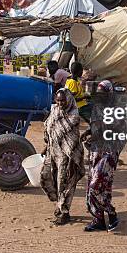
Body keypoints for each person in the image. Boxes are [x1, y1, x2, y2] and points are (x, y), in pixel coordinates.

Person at [81, 80, 123, 232]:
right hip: (95, 152)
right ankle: (98, 219)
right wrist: (87, 133)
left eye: (104, 93)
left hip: (109, 153)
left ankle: (112, 214)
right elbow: (95, 126)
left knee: (96, 185)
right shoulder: (97, 108)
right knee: (101, 187)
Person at [40, 89, 85, 226]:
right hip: (53, 152)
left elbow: (73, 140)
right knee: (46, 178)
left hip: (67, 156)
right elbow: (49, 128)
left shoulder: (73, 116)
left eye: (63, 100)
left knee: (64, 184)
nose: (60, 103)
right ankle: (59, 205)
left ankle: (64, 212)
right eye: (58, 100)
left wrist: (72, 159)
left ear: (69, 100)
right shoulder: (54, 110)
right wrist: (46, 145)